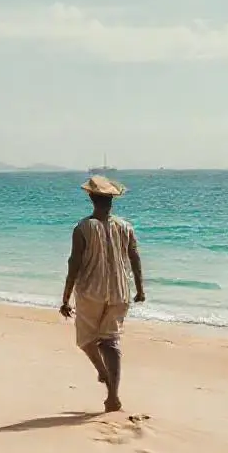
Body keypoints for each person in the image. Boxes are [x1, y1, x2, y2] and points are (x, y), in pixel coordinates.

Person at [58, 175, 145, 412]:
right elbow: (134, 258)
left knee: (86, 340)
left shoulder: (83, 228)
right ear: (112, 202)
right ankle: (113, 396)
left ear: (91, 198)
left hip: (90, 292)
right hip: (120, 292)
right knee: (111, 341)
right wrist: (140, 288)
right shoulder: (125, 226)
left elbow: (74, 263)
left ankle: (102, 371)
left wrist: (65, 298)